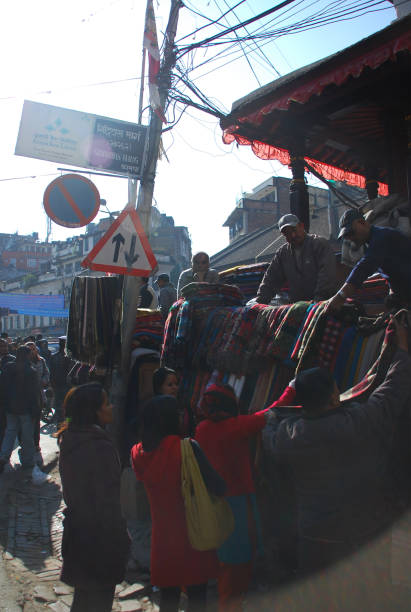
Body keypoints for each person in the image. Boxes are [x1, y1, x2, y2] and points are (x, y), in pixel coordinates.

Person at [262, 316, 411, 577]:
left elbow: (267, 424)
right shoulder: (359, 420)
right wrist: (402, 349)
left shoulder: (288, 436)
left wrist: (277, 413)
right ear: (334, 396)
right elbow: (392, 390)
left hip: (315, 538)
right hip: (364, 534)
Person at [195, 383, 296, 612]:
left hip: (214, 503)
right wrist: (291, 388)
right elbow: (272, 412)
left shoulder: (202, 429)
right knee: (236, 567)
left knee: (223, 563)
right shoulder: (235, 427)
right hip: (236, 506)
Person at [131, 395, 225, 612]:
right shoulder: (188, 449)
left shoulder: (138, 453)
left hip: (163, 540)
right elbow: (219, 487)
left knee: (169, 600)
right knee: (197, 599)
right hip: (193, 534)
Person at [58, 383, 130, 612]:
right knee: (98, 601)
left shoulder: (72, 438)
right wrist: (121, 538)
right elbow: (107, 501)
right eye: (107, 403)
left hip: (79, 534)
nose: (112, 406)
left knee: (84, 599)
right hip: (99, 540)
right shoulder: (98, 446)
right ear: (95, 411)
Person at [327, 209, 411, 312]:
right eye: (346, 236)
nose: (350, 238)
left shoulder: (381, 238)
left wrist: (340, 297)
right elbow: (393, 271)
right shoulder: (369, 244)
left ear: (362, 223)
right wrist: (393, 292)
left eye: (351, 233)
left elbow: (363, 268)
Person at [255, 214, 337, 304]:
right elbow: (270, 279)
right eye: (287, 234)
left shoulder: (319, 244)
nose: (293, 235)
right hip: (298, 306)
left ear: (301, 226)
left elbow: (327, 275)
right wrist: (260, 302)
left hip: (324, 304)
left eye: (294, 230)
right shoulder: (283, 253)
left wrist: (318, 300)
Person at [0, 345, 40, 474]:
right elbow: (34, 393)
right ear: (27, 355)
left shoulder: (8, 367)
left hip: (10, 408)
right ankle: (27, 461)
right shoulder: (31, 371)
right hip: (25, 409)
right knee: (27, 436)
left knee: (10, 432)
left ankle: (3, 456)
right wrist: (36, 409)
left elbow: (3, 388)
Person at [26, 341, 50, 461]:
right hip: (27, 397)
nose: (33, 351)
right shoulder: (24, 363)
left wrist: (44, 381)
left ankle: (36, 444)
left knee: (36, 422)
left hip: (39, 395)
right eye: (30, 349)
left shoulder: (42, 361)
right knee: (28, 423)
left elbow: (47, 373)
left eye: (34, 349)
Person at [49, 336, 74, 423]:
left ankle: (61, 425)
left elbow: (51, 373)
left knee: (61, 408)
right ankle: (66, 424)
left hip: (58, 386)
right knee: (68, 409)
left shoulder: (55, 357)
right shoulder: (71, 358)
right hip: (66, 386)